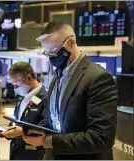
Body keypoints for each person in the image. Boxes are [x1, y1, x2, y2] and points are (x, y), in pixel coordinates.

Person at [23, 21, 118, 160]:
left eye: (54, 51)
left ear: (71, 43)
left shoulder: (98, 78)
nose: (51, 57)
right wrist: (33, 130)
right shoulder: (57, 78)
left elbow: (101, 138)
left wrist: (48, 141)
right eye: (47, 53)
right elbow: (54, 120)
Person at [0, 62, 48, 160]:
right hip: (17, 151)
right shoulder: (24, 98)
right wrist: (9, 129)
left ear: (29, 78)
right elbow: (18, 120)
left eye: (17, 85)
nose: (15, 89)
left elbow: (46, 126)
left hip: (34, 153)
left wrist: (22, 131)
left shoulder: (47, 97)